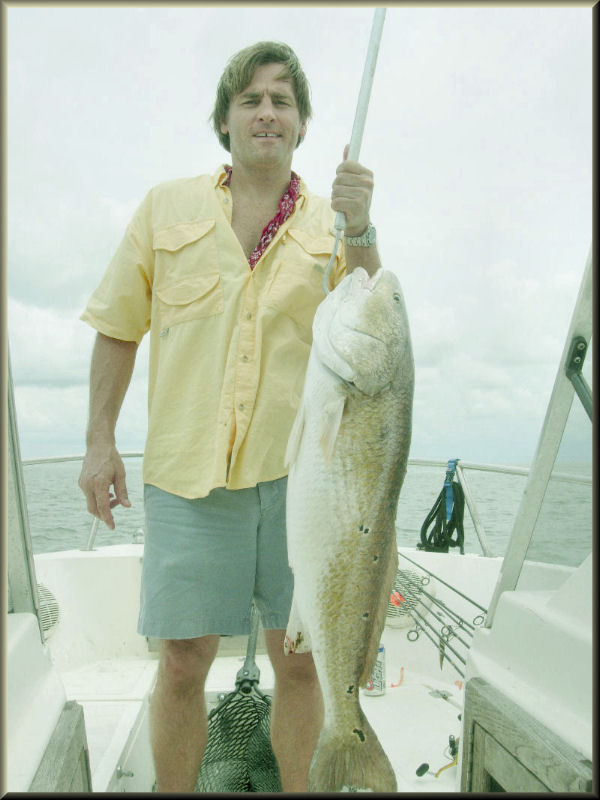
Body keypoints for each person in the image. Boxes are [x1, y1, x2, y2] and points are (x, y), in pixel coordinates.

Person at [78, 40, 381, 793]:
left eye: (282, 100)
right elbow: (119, 324)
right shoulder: (166, 206)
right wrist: (98, 443)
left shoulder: (333, 226)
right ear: (224, 120)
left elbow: (377, 330)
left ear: (303, 124)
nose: (267, 112)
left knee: (302, 662)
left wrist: (364, 228)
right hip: (187, 478)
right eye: (250, 99)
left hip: (302, 483)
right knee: (182, 662)